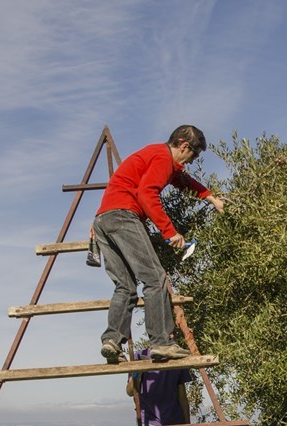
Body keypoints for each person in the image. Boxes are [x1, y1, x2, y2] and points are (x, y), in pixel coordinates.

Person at [93, 125, 226, 364]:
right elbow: (146, 194)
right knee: (155, 278)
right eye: (193, 155)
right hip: (124, 216)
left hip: (103, 220)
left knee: (124, 286)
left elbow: (183, 180)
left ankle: (112, 341)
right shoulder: (163, 157)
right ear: (184, 146)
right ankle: (162, 343)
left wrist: (211, 198)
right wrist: (170, 231)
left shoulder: (157, 156)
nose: (192, 161)